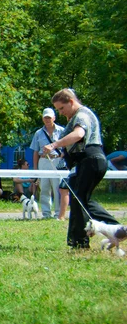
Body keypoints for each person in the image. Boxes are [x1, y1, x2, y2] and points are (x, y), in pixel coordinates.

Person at [43, 88, 120, 249]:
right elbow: (76, 145)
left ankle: (87, 240)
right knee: (81, 200)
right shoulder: (77, 115)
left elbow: (79, 134)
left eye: (62, 108)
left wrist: (54, 144)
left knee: (80, 200)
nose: (61, 113)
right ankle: (113, 230)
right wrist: (60, 154)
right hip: (87, 161)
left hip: (90, 160)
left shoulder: (82, 115)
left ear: (71, 102)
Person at [29, 108, 68, 218]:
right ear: (43, 118)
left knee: (57, 188)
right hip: (43, 160)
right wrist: (36, 170)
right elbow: (35, 152)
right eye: (45, 117)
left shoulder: (62, 131)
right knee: (44, 188)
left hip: (57, 160)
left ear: (54, 118)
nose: (47, 119)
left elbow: (67, 147)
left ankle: (57, 213)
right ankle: (46, 213)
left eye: (49, 117)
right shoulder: (38, 133)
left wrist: (62, 156)